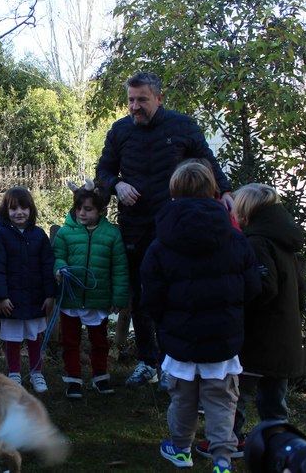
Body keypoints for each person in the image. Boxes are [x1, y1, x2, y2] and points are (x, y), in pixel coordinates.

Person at [96, 71, 233, 388]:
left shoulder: (182, 127)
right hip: (134, 226)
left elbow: (206, 162)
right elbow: (103, 171)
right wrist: (117, 184)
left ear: (159, 98)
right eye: (130, 100)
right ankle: (147, 362)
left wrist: (225, 191)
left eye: (142, 99)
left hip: (175, 225)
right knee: (142, 294)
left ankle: (175, 364)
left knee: (176, 293)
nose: (134, 107)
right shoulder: (119, 131)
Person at [140, 163, 261, 473]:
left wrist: (165, 321)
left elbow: (151, 294)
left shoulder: (161, 242)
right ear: (212, 190)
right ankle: (222, 459)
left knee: (183, 399)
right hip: (222, 338)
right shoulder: (235, 239)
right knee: (222, 400)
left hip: (180, 338)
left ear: (174, 192)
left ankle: (181, 449)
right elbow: (252, 287)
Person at [198, 184, 305, 461]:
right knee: (273, 398)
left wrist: (235, 302)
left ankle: (227, 441)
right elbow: (298, 288)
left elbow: (262, 287)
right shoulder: (283, 239)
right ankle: (279, 446)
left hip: (260, 336)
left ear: (246, 208)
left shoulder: (257, 241)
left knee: (236, 393)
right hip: (282, 334)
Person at [52, 179, 129, 399]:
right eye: (78, 209)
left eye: (88, 209)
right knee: (70, 341)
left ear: (101, 210)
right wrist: (60, 269)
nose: (82, 213)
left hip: (98, 298)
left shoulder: (112, 235)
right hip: (72, 298)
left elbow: (120, 268)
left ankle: (100, 376)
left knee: (99, 341)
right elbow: (58, 257)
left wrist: (118, 297)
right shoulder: (66, 233)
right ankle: (73, 379)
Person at [0, 186, 56, 393]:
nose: (19, 212)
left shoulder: (39, 235)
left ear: (31, 210)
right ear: (6, 211)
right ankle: (14, 374)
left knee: (34, 337)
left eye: (24, 208)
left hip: (36, 297)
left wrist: (50, 294)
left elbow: (48, 265)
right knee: (13, 339)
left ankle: (37, 373)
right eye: (14, 208)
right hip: (11, 300)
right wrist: (1, 297)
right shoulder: (1, 236)